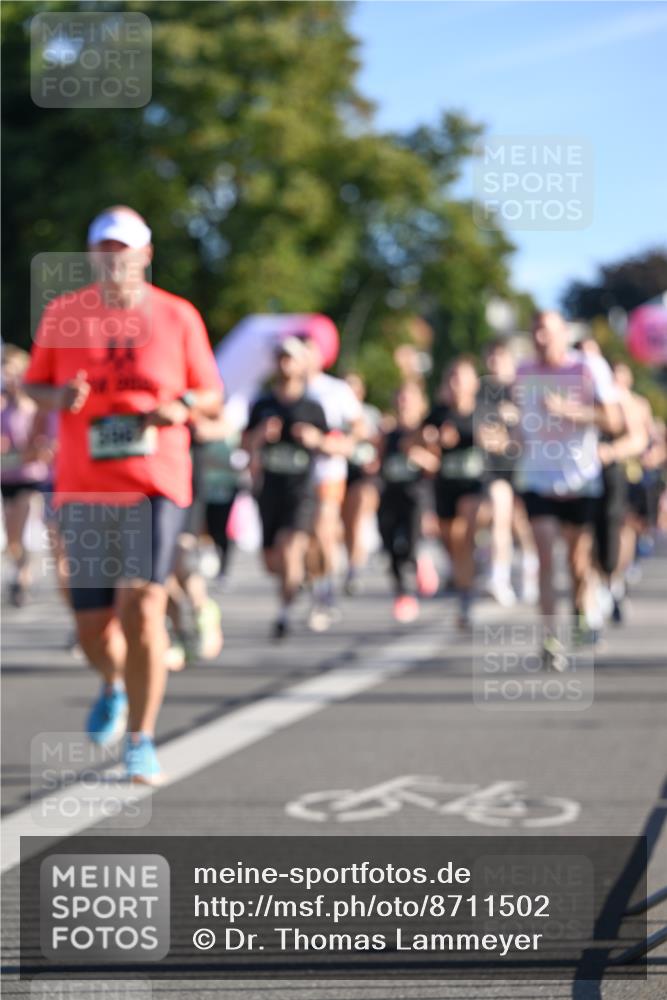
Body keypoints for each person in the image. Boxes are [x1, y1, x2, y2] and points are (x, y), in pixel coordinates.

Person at [24, 205, 223, 782]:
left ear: (146, 255)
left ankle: (141, 737)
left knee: (142, 606)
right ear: (93, 256)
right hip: (85, 486)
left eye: (125, 249)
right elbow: (35, 385)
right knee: (92, 627)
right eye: (105, 249)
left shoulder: (178, 316)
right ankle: (112, 682)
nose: (115, 260)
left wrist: (179, 407)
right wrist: (60, 398)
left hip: (153, 483)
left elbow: (211, 394)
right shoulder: (64, 315)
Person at [511, 311, 622, 666]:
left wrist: (573, 412)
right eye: (535, 332)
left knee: (577, 562)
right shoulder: (523, 372)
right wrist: (505, 437)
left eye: (547, 332)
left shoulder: (588, 367)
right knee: (544, 556)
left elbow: (614, 420)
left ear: (563, 334)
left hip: (580, 477)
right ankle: (549, 640)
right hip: (537, 478)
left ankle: (579, 612)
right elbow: (521, 426)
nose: (540, 339)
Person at [243, 337, 328, 640]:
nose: (285, 364)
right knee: (271, 561)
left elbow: (335, 443)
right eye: (281, 357)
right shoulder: (263, 404)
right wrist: (259, 437)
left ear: (302, 364)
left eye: (291, 358)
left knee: (291, 548)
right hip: (269, 489)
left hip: (301, 490)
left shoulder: (313, 406)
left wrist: (315, 439)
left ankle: (284, 614)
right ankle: (301, 581)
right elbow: (243, 444)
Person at [302, 337, 365, 631]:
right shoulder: (287, 389)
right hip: (295, 477)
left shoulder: (335, 389)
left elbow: (359, 426)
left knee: (322, 528)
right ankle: (319, 586)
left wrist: (340, 445)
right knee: (307, 540)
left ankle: (325, 592)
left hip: (329, 472)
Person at [422, 356, 486, 629]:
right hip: (445, 486)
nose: (456, 384)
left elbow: (503, 441)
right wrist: (431, 440)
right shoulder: (439, 413)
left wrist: (486, 437)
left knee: (464, 534)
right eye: (452, 378)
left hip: (474, 485)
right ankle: (465, 584)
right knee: (452, 542)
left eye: (462, 378)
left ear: (474, 383)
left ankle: (466, 597)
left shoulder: (483, 412)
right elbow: (412, 439)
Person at [479, 339, 538, 607]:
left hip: (524, 467)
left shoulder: (523, 389)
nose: (495, 363)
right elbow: (484, 435)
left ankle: (530, 571)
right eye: (490, 357)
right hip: (496, 468)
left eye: (500, 357)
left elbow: (535, 430)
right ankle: (498, 578)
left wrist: (513, 427)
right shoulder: (482, 392)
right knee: (499, 514)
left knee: (523, 524)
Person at [378, 381, 439, 622]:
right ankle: (402, 589)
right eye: (401, 398)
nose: (404, 403)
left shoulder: (425, 432)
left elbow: (436, 464)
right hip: (390, 495)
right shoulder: (388, 433)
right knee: (390, 545)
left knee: (410, 545)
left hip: (416, 497)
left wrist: (418, 455)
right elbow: (379, 464)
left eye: (409, 398)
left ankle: (408, 590)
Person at [1, 346, 53, 606]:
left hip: (31, 477)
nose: (8, 378)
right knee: (11, 539)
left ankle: (22, 579)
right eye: (4, 372)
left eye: (12, 372)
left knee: (20, 531)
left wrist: (35, 450)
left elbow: (44, 445)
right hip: (6, 476)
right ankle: (20, 569)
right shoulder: (2, 406)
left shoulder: (35, 407)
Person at [341, 373, 381, 596]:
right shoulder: (334, 411)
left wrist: (376, 461)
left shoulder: (369, 414)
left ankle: (354, 568)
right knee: (344, 524)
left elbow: (380, 443)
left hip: (363, 475)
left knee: (356, 518)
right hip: (340, 472)